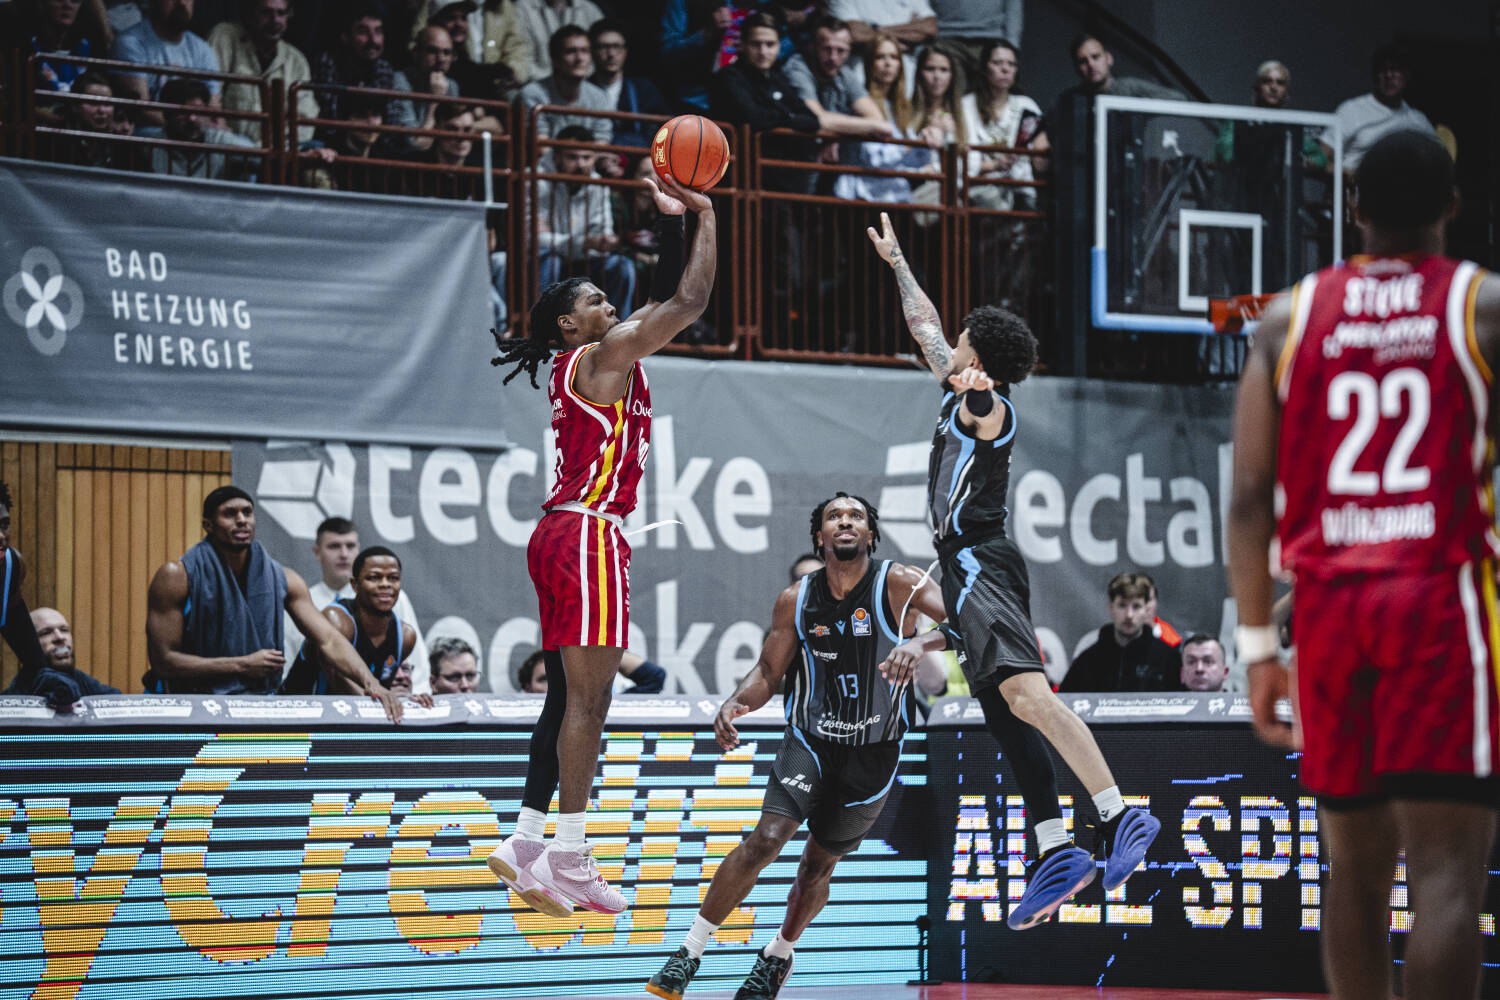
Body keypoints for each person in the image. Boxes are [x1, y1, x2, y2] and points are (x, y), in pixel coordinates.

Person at [1229, 130, 1500, 1000]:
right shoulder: (1482, 305)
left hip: (1330, 608)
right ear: (1452, 207)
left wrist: (1257, 647)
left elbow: (1248, 499)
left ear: (1353, 210)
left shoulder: (1290, 315)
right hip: (1438, 597)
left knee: (1353, 867)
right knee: (1446, 875)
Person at [868, 212, 1160, 928]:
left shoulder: (987, 406)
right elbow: (927, 332)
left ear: (981, 354)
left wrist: (976, 390)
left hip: (980, 561)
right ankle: (1056, 849)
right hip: (965, 566)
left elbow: (982, 406)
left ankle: (1118, 815)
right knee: (1005, 717)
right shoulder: (956, 387)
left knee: (1028, 698)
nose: (952, 343)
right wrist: (899, 263)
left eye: (964, 339)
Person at [483, 168, 717, 918]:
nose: (612, 307)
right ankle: (571, 854)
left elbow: (660, 299)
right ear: (568, 325)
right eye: (595, 302)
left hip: (562, 531)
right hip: (587, 532)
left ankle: (526, 840)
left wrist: (671, 222)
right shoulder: (599, 360)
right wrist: (706, 211)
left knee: (564, 697)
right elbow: (689, 302)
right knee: (591, 700)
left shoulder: (595, 358)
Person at [646, 493, 949, 1000]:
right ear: (820, 536)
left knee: (816, 867)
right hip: (810, 740)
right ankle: (689, 952)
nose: (845, 521)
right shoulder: (796, 598)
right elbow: (769, 672)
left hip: (874, 752)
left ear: (871, 534)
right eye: (835, 516)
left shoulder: (901, 582)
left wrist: (920, 642)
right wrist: (735, 702)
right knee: (766, 838)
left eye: (856, 516)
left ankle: (778, 954)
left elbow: (969, 620)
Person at [144, 486, 402, 720]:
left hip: (258, 704)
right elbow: (163, 661)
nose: (242, 520)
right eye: (230, 514)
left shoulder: (285, 579)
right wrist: (242, 665)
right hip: (187, 707)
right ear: (208, 525)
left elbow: (329, 639)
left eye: (247, 512)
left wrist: (371, 683)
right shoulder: (176, 577)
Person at [283, 516, 431, 693]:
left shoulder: (396, 608)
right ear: (317, 552)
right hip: (309, 702)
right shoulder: (302, 603)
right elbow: (291, 665)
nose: (344, 554)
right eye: (334, 546)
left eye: (350, 546)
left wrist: (415, 699)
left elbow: (415, 669)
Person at [535, 123, 635, 317]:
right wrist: (586, 242)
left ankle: (616, 330)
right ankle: (541, 327)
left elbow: (603, 232)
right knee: (550, 260)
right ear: (556, 157)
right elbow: (535, 240)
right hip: (546, 262)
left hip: (585, 261)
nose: (581, 164)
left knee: (622, 266)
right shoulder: (536, 180)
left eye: (587, 158)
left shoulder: (598, 185)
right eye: (572, 157)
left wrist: (603, 241)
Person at [832, 31, 932, 204]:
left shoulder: (902, 106)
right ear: (870, 63)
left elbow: (913, 162)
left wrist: (926, 143)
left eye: (894, 57)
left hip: (895, 197)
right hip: (861, 198)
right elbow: (875, 159)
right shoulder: (861, 104)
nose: (888, 63)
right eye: (880, 57)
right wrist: (909, 147)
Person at [209, 0, 320, 145]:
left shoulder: (296, 61)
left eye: (281, 13)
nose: (275, 20)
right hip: (227, 147)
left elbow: (305, 120)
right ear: (251, 15)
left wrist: (274, 148)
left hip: (275, 152)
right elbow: (210, 95)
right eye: (266, 12)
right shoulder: (226, 37)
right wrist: (227, 139)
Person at [1322, 43, 1435, 175]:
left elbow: (1438, 163)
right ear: (1376, 76)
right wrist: (1347, 174)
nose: (1389, 75)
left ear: (1406, 75)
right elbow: (1319, 159)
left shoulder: (1418, 121)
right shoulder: (1352, 110)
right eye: (1383, 70)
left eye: (1395, 70)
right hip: (1358, 185)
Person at [961, 38, 1046, 212]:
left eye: (1011, 64)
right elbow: (961, 159)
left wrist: (1041, 152)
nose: (1005, 69)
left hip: (1021, 189)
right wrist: (994, 165)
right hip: (979, 188)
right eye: (997, 63)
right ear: (985, 67)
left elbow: (1041, 155)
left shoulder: (1026, 105)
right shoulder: (966, 105)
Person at [1059, 571, 1180, 692]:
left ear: (1146, 610)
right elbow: (1064, 700)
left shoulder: (1168, 659)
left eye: (1136, 606)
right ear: (1111, 608)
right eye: (1122, 605)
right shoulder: (1088, 661)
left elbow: (1185, 701)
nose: (1129, 615)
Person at [0, 481, 62, 697]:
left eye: (4, 525)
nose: (1, 536)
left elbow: (34, 661)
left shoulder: (11, 567)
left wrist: (50, 682)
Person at [111, 0, 220, 119]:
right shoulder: (130, 43)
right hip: (151, 129)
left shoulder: (202, 49)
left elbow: (213, 108)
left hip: (195, 127)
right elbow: (141, 110)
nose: (181, 3)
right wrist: (189, 121)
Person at [138, 76, 259, 179]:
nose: (192, 118)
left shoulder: (222, 142)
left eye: (198, 111)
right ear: (167, 114)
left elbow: (261, 160)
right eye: (183, 112)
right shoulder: (150, 147)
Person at [518, 24, 612, 148]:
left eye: (585, 51)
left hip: (587, 159)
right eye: (571, 51)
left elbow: (602, 142)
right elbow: (541, 146)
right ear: (555, 59)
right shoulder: (533, 93)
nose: (579, 58)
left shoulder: (599, 97)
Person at [310, 3, 399, 126]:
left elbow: (392, 120)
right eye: (363, 32)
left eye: (378, 32)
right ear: (345, 37)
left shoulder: (384, 68)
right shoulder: (328, 62)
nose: (373, 40)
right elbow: (329, 119)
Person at [588, 19, 667, 150]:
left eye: (617, 47)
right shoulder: (583, 89)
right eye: (604, 47)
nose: (611, 54)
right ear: (592, 52)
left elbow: (664, 129)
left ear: (625, 51)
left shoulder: (643, 89)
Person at [390, 24, 459, 152]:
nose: (441, 59)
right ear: (416, 53)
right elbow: (416, 144)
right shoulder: (400, 81)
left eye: (447, 53)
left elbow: (455, 137)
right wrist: (435, 101)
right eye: (433, 51)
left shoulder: (451, 85)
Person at [1063, 33, 1183, 101]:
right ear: (1077, 68)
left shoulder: (1129, 88)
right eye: (1083, 61)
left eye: (1096, 57)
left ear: (1109, 59)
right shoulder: (1071, 98)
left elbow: (1179, 98)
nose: (1091, 64)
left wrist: (1138, 106)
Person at [512, 0, 603, 83]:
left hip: (584, 83)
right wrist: (553, 82)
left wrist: (580, 76)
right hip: (537, 84)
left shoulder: (589, 10)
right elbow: (522, 59)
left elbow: (599, 53)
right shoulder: (522, 8)